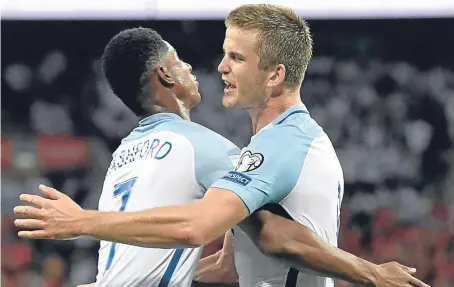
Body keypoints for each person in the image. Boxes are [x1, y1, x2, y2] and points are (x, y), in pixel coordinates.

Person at [14, 12, 429, 287]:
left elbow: (257, 235)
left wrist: (372, 275)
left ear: (274, 76)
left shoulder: (282, 143)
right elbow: (233, 264)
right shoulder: (257, 151)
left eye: (236, 57)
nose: (219, 67)